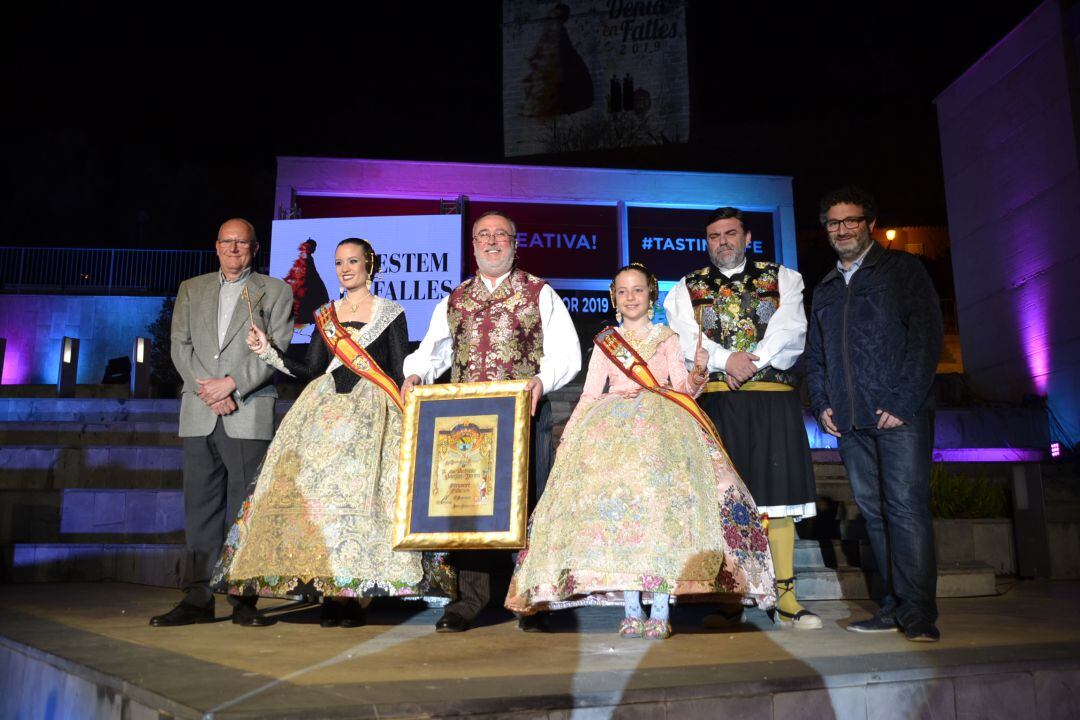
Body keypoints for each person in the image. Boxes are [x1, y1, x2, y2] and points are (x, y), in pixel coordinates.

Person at [505, 263, 776, 639]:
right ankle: (632, 608)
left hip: (661, 428)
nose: (630, 297)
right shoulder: (605, 342)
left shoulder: (667, 337)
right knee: (623, 520)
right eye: (622, 291)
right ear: (614, 298)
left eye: (637, 290)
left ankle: (661, 608)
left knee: (658, 515)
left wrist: (698, 374)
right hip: (611, 431)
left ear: (651, 295)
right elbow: (589, 392)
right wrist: (570, 433)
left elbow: (681, 389)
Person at [210, 237, 454, 626]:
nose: (345, 269)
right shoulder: (325, 314)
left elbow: (393, 370)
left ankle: (352, 597)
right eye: (339, 262)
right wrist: (268, 351)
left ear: (369, 265)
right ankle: (327, 593)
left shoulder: (391, 312)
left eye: (353, 261)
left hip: (371, 415)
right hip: (321, 413)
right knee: (320, 506)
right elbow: (310, 371)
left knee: (358, 503)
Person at [401, 210, 581, 633]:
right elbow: (434, 350)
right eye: (484, 235)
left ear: (516, 244)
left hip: (524, 414)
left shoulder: (539, 293)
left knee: (529, 503)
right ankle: (470, 600)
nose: (492, 241)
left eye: (502, 235)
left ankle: (530, 598)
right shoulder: (456, 298)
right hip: (468, 422)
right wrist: (416, 373)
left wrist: (541, 380)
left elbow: (566, 353)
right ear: (474, 245)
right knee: (470, 504)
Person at [664, 207, 821, 630]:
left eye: (731, 233)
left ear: (748, 237)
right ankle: (732, 599)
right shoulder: (685, 288)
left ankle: (786, 598)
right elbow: (681, 338)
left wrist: (751, 361)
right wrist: (725, 359)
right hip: (719, 403)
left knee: (779, 498)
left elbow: (791, 331)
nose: (723, 242)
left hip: (772, 401)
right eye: (714, 236)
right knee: (725, 504)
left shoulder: (784, 278)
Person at [806, 186, 943, 642]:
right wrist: (823, 402)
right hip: (851, 423)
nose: (842, 229)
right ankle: (892, 607)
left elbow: (926, 339)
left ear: (868, 223)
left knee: (906, 510)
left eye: (851, 221)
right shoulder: (825, 288)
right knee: (876, 515)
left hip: (899, 417)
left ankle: (919, 613)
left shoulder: (902, 270)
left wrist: (903, 402)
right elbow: (817, 355)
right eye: (833, 223)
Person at [150, 218, 293, 627]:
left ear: (255, 248)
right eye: (227, 242)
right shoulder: (191, 289)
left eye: (242, 243)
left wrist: (232, 385)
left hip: (247, 412)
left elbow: (277, 348)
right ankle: (196, 598)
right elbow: (180, 346)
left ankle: (243, 599)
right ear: (216, 246)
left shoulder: (276, 291)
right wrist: (208, 391)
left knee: (244, 509)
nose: (234, 249)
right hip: (200, 412)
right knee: (199, 509)